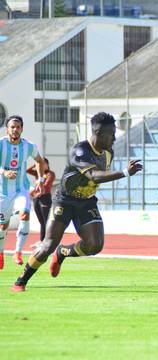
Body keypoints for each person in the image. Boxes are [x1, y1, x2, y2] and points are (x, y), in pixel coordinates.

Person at [12, 112, 142, 291]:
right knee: (48, 245)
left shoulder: (108, 152)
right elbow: (94, 176)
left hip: (87, 202)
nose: (114, 137)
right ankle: (21, 281)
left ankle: (63, 252)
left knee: (95, 245)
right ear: (98, 132)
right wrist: (125, 172)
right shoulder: (80, 151)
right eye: (111, 133)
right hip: (64, 201)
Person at [0, 115, 45, 270]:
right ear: (7, 129)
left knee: (25, 214)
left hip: (21, 189)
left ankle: (17, 252)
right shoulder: (1, 144)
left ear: (22, 129)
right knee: (3, 226)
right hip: (3, 192)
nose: (15, 130)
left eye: (18, 127)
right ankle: (0, 253)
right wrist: (4, 172)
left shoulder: (29, 146)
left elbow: (40, 161)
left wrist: (40, 179)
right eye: (12, 127)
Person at [27, 157, 56, 247]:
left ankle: (49, 241)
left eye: (44, 163)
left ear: (47, 164)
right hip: (36, 198)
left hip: (45, 198)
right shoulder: (37, 173)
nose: (43, 165)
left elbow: (47, 186)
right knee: (41, 221)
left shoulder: (50, 174)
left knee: (46, 221)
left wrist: (37, 192)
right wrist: (36, 164)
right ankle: (42, 241)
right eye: (41, 164)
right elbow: (27, 170)